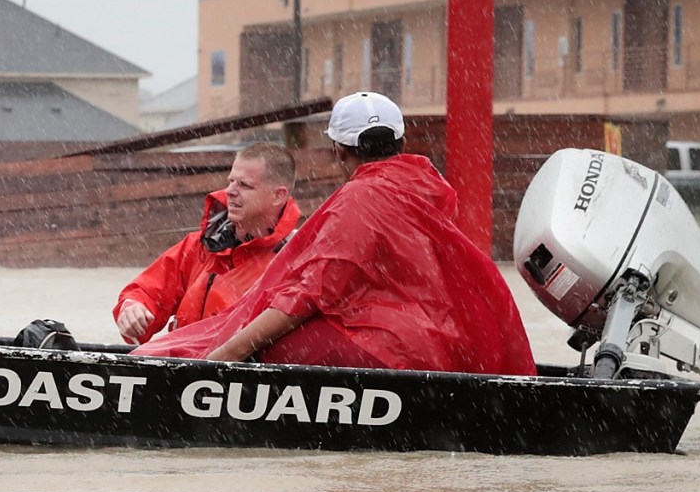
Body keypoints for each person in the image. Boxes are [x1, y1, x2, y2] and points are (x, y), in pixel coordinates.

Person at [137, 92, 535, 375]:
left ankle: (169, 357)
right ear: (399, 142)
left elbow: (309, 293)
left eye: (244, 184)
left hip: (391, 351)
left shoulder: (362, 199)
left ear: (339, 152)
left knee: (260, 348)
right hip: (436, 347)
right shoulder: (425, 189)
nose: (234, 193)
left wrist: (219, 360)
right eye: (232, 184)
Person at [112, 143, 302, 342]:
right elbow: (147, 291)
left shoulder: (297, 257)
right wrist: (132, 308)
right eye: (231, 181)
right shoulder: (200, 245)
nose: (230, 191)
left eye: (244, 185)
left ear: (278, 195)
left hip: (242, 368)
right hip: (186, 365)